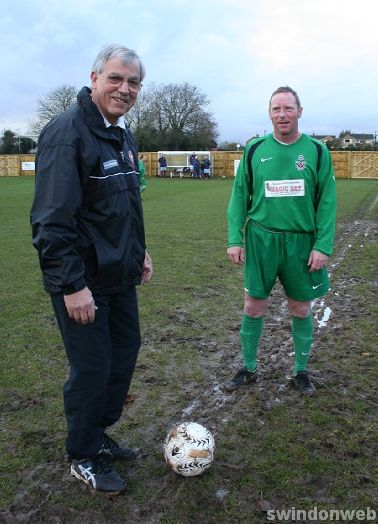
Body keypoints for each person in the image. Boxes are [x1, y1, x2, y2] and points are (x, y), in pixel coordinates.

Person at [30, 44, 153, 495]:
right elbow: (50, 221)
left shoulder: (121, 134)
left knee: (124, 356)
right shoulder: (67, 134)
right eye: (117, 79)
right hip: (82, 283)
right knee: (94, 368)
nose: (125, 89)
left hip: (120, 274)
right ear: (95, 78)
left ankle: (98, 434)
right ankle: (82, 454)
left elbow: (127, 203)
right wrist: (71, 285)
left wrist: (141, 250)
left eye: (134, 82)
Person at [225, 86, 336, 396]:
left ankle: (300, 371)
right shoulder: (254, 149)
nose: (282, 114)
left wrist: (322, 245)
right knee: (253, 306)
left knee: (300, 308)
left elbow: (327, 201)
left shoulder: (316, 151)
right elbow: (238, 198)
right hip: (261, 240)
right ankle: (248, 368)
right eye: (276, 109)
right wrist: (235, 239)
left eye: (288, 108)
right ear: (269, 113)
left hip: (302, 243)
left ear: (299, 111)